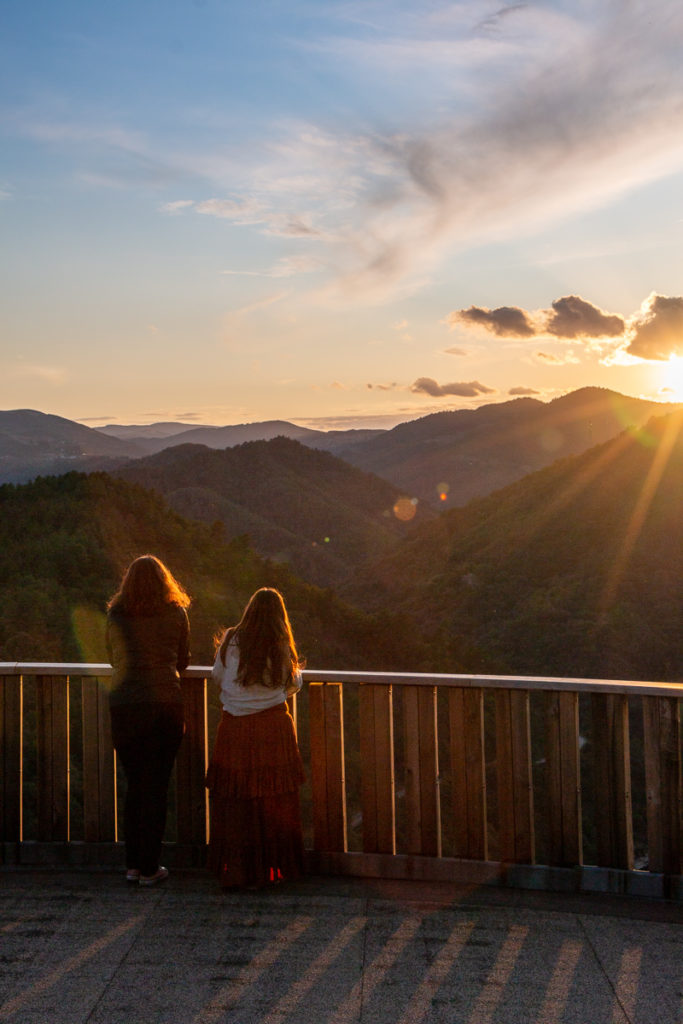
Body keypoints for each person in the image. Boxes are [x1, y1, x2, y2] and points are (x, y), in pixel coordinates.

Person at [206, 587, 305, 889]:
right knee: (273, 800)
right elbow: (291, 683)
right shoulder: (279, 643)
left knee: (237, 803)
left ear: (249, 610)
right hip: (272, 729)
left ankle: (237, 871)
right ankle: (273, 870)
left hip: (235, 729)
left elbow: (217, 677)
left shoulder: (231, 639)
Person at [106, 554, 190, 886]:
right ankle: (150, 867)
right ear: (164, 581)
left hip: (125, 707)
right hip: (165, 706)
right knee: (156, 787)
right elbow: (182, 660)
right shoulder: (176, 613)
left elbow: (112, 659)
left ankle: (131, 866)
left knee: (135, 786)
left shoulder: (116, 615)